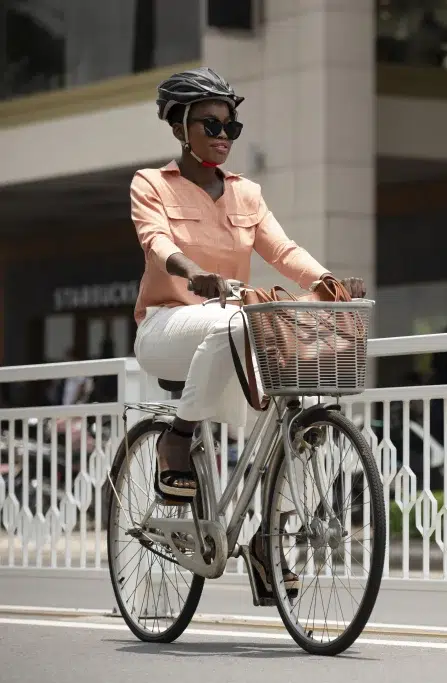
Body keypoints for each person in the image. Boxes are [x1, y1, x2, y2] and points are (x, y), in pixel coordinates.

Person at [130, 67, 365, 589]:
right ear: (180, 128)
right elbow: (157, 244)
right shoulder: (151, 184)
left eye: (229, 129)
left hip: (231, 332)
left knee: (295, 421)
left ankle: (269, 540)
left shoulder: (247, 195)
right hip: (168, 328)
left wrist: (325, 279)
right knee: (237, 320)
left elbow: (282, 250)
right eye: (209, 126)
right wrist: (195, 274)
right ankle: (179, 437)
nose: (221, 138)